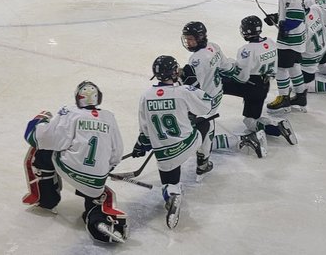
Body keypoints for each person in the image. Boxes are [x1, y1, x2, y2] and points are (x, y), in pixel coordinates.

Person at [22, 81, 127, 244]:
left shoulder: (70, 112)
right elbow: (117, 152)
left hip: (71, 170)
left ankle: (46, 199)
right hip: (97, 178)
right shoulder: (109, 117)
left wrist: (39, 122)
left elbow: (45, 139)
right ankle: (97, 218)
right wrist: (107, 168)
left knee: (41, 153)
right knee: (93, 189)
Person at [132, 56, 212, 230]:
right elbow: (208, 105)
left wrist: (141, 144)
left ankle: (172, 193)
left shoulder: (146, 96)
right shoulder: (183, 91)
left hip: (165, 155)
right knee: (206, 123)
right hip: (187, 144)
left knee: (170, 181)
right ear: (175, 72)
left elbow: (145, 129)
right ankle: (203, 160)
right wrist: (193, 85)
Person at [179, 22, 263, 175]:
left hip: (204, 100)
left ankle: (235, 144)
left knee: (201, 132)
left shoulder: (196, 60)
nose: (188, 42)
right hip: (216, 93)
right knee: (207, 127)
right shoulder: (213, 46)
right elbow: (227, 67)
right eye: (187, 39)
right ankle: (204, 159)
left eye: (191, 39)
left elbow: (194, 87)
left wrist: (181, 78)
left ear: (200, 37)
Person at [226, 17, 295, 147]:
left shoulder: (247, 50)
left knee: (249, 122)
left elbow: (242, 76)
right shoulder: (270, 42)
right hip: (265, 85)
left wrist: (228, 70)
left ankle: (276, 128)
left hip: (252, 86)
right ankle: (276, 125)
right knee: (254, 118)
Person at [264, 0, 308, 112]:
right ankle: (301, 95)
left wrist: (285, 27)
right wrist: (275, 18)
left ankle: (283, 97)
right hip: (298, 35)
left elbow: (296, 14)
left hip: (291, 37)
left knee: (281, 67)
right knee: (294, 66)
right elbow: (289, 11)